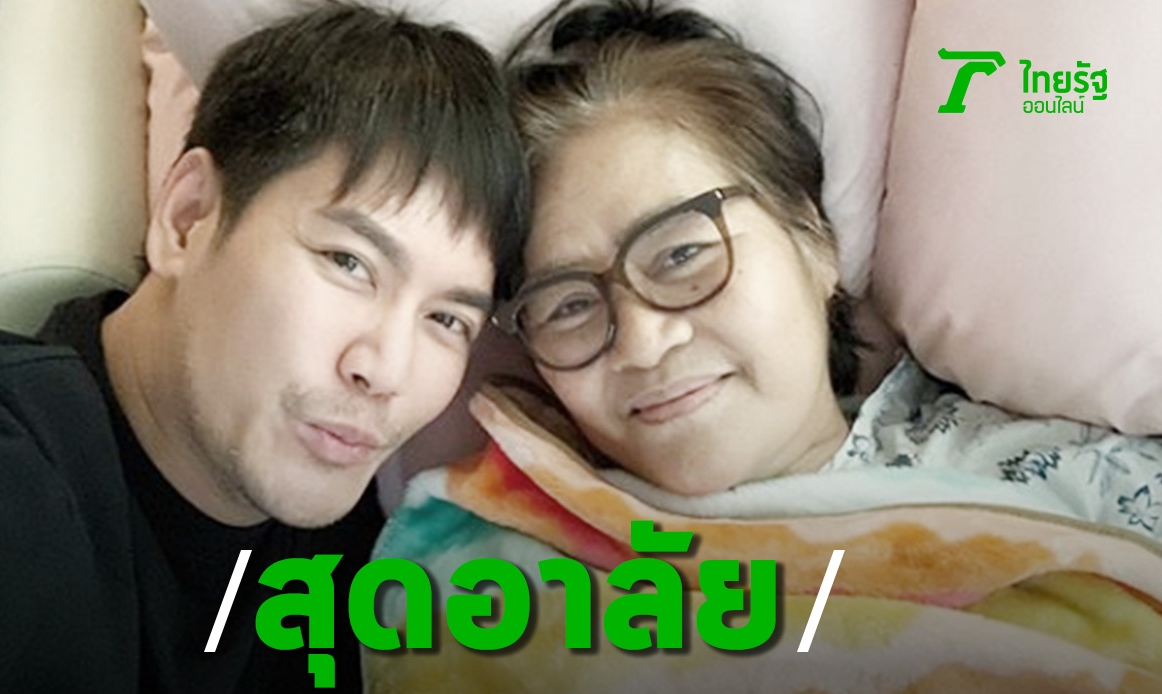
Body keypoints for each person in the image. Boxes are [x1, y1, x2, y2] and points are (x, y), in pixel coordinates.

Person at [0, 4, 527, 694]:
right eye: (348, 263)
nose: (386, 371)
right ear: (188, 218)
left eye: (447, 319)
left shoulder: (355, 556)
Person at [489, 0, 1162, 538]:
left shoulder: (1083, 492)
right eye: (568, 305)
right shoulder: (494, 553)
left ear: (813, 240)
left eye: (682, 255)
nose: (642, 342)